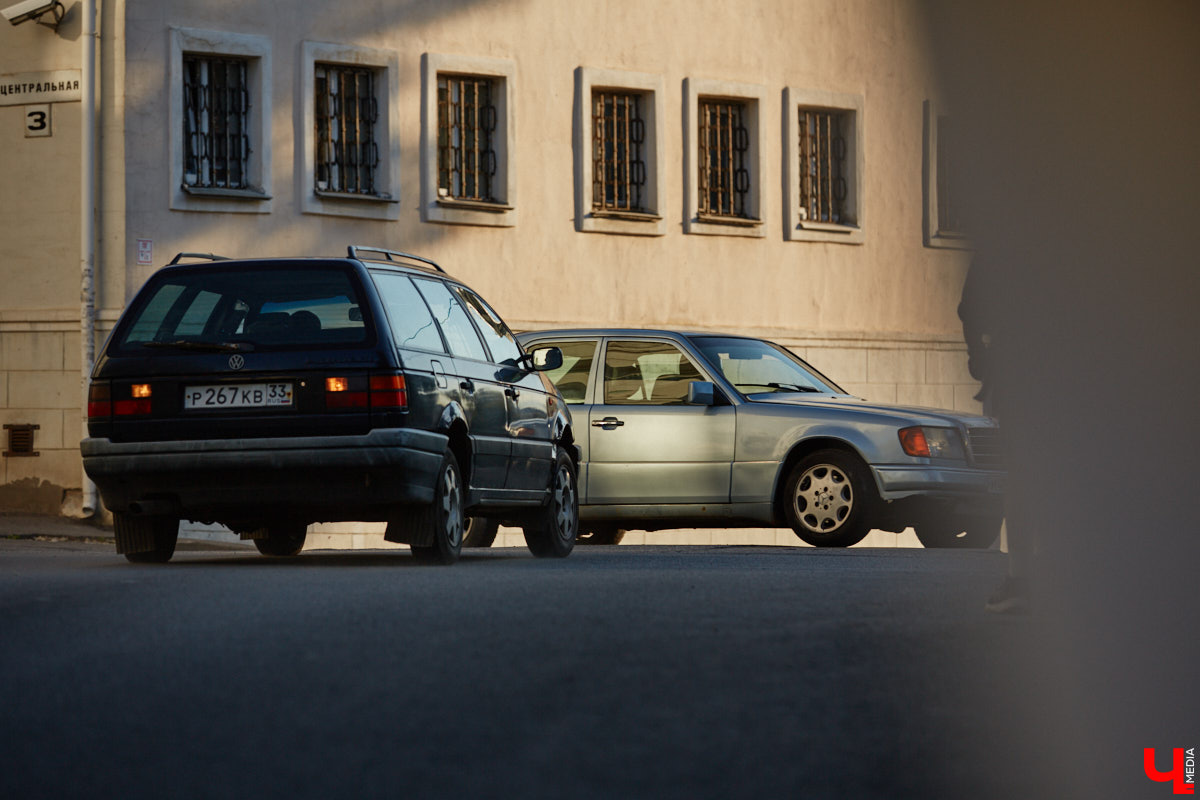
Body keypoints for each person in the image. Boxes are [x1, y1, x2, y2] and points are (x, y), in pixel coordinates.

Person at [958, 258, 1030, 614]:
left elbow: (968, 309)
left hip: (1017, 369)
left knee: (1022, 473)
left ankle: (1021, 577)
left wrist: (980, 357)